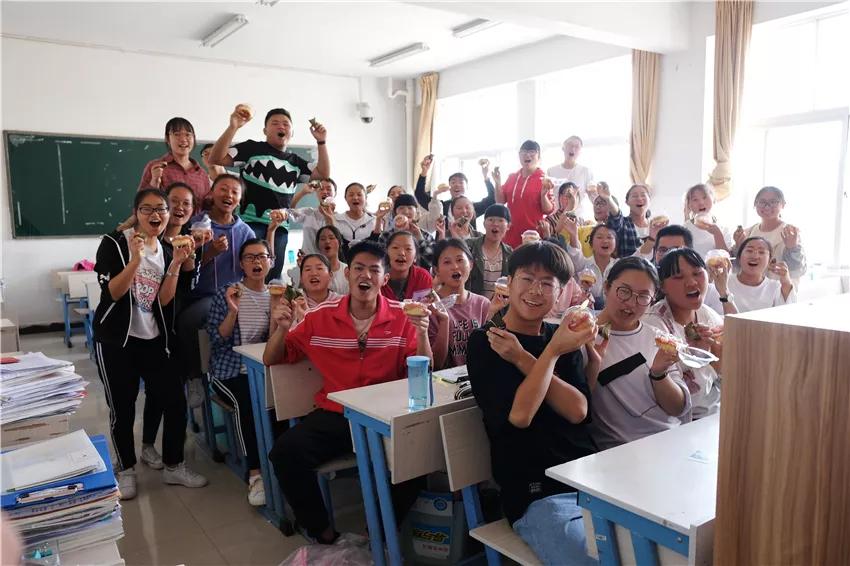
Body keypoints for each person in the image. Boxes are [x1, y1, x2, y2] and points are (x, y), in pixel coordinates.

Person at [262, 240, 432, 544]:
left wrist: (422, 333)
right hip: (338, 413)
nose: (364, 275)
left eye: (373, 270)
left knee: (419, 456)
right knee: (286, 453)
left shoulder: (404, 316)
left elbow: (422, 370)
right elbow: (272, 357)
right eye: (358, 268)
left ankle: (377, 531)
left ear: (384, 279)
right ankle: (322, 531)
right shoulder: (320, 316)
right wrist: (281, 329)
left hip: (386, 413)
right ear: (347, 274)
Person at [466, 241, 598, 565]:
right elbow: (520, 415)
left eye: (548, 283)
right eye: (527, 279)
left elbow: (578, 411)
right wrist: (552, 352)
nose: (536, 291)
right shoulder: (487, 342)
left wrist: (527, 357)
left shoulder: (562, 335)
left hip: (590, 479)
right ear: (509, 284)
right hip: (537, 493)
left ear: (561, 293)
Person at [93, 188, 207, 500]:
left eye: (161, 209)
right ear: (136, 213)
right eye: (147, 209)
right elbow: (113, 293)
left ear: (169, 215)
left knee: (175, 400)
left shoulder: (169, 248)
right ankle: (126, 468)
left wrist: (175, 265)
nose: (155, 215)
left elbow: (164, 299)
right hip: (116, 339)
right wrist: (135, 259)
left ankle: (173, 466)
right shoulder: (114, 243)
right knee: (123, 406)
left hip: (154, 339)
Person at [208, 105, 330, 280]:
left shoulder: (296, 162)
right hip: (250, 224)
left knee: (272, 276)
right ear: (265, 130)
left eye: (286, 124)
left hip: (280, 227)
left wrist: (321, 141)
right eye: (275, 123)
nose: (281, 126)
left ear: (292, 133)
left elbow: (323, 174)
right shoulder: (251, 149)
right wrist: (233, 126)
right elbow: (215, 158)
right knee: (244, 273)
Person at [588, 258, 691, 450]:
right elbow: (576, 409)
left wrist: (659, 374)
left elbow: (678, 409)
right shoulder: (582, 336)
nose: (631, 303)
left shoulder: (658, 339)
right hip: (619, 451)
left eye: (643, 296)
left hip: (671, 442)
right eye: (624, 291)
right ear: (607, 287)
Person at [206, 239, 274, 507]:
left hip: (265, 369)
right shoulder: (228, 293)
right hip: (230, 369)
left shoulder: (279, 293)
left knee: (282, 405)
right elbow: (217, 340)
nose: (257, 262)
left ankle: (277, 461)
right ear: (241, 263)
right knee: (247, 404)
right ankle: (255, 473)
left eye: (262, 256)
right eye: (249, 257)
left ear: (271, 260)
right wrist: (233, 311)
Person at [177, 174, 255, 407]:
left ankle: (249, 373)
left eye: (234, 192)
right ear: (211, 193)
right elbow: (186, 265)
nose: (228, 195)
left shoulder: (245, 231)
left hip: (237, 294)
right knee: (187, 323)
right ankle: (194, 378)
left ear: (240, 200)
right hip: (205, 295)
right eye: (223, 189)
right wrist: (210, 252)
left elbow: (253, 265)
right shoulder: (197, 225)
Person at [140, 182, 201, 469]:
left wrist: (190, 256)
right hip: (153, 327)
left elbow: (189, 286)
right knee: (158, 392)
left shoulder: (187, 242)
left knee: (168, 393)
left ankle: (165, 454)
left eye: (186, 204)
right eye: (174, 202)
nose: (180, 208)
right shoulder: (151, 240)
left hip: (176, 326)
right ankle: (149, 446)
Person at [645, 248, 724, 419]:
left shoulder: (708, 315)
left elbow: (729, 375)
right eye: (678, 277)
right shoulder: (655, 325)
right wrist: (703, 359)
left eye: (697, 273)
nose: (691, 283)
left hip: (716, 414)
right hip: (681, 424)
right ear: (662, 286)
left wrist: (717, 354)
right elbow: (683, 404)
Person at [428, 239, 493, 369]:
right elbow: (435, 364)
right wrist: (444, 321)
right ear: (436, 270)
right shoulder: (430, 307)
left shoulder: (483, 304)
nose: (455, 266)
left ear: (471, 264)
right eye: (447, 262)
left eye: (460, 260)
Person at [650, 225, 737, 317]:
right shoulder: (646, 286)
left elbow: (735, 326)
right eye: (662, 250)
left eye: (675, 250)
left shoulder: (707, 288)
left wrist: (724, 292)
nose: (668, 256)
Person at [138, 117, 211, 214]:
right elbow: (140, 204)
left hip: (194, 227)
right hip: (164, 227)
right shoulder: (155, 167)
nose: (183, 139)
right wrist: (154, 181)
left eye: (188, 135)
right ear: (168, 139)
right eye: (177, 134)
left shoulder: (202, 174)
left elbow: (206, 209)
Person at [733, 186, 806, 282]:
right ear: (755, 204)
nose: (767, 206)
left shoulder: (790, 233)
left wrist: (792, 248)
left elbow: (797, 271)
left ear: (783, 204)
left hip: (780, 292)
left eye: (773, 202)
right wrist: (738, 247)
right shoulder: (748, 233)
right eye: (762, 202)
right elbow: (736, 269)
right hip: (751, 291)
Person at [497, 140, 555, 248]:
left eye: (532, 152)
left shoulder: (544, 179)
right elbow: (500, 201)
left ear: (539, 157)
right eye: (523, 152)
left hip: (533, 235)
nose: (527, 155)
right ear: (519, 156)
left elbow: (548, 210)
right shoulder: (512, 177)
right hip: (510, 235)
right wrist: (497, 183)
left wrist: (543, 196)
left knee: (531, 264)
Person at [414, 155, 496, 229]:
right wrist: (424, 172)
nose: (457, 185)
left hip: (468, 244)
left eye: (461, 182)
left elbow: (493, 199)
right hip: (445, 243)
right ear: (449, 187)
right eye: (453, 182)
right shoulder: (441, 206)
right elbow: (419, 195)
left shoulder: (472, 207)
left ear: (467, 187)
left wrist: (486, 177)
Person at [727, 237, 796, 312]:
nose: (755, 256)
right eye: (749, 251)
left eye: (761, 252)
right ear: (739, 258)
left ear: (769, 261)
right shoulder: (724, 283)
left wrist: (786, 282)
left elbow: (788, 312)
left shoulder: (775, 287)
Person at [370, 194, 436, 271]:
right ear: (395, 212)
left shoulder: (426, 235)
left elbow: (432, 261)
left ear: (416, 211)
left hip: (421, 279)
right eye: (401, 208)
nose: (406, 211)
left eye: (410, 208)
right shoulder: (386, 235)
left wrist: (419, 238)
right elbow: (379, 260)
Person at [562, 222, 618, 308]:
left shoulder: (619, 266)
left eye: (609, 237)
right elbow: (575, 254)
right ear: (591, 243)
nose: (605, 241)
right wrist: (574, 235)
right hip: (585, 313)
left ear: (616, 244)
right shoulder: (583, 264)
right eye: (599, 237)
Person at [466, 204, 513, 299]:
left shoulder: (510, 254)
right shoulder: (469, 246)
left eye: (500, 220)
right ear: (484, 224)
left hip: (498, 310)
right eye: (491, 219)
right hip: (471, 305)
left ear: (508, 226)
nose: (495, 224)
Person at [288, 225, 349, 295]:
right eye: (323, 239)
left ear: (340, 242)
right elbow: (297, 296)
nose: (327, 241)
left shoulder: (347, 271)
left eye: (331, 238)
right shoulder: (310, 271)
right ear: (317, 245)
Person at [546, 136, 595, 219]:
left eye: (577, 146)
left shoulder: (586, 171)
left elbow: (593, 197)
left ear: (580, 151)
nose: (573, 148)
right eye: (570, 145)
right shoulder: (551, 171)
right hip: (557, 220)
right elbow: (548, 198)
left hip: (577, 219)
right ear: (563, 147)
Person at [287, 178, 337, 255]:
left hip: (327, 263)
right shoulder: (308, 212)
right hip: (307, 260)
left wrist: (329, 217)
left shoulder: (339, 218)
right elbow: (290, 210)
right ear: (316, 193)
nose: (325, 192)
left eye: (329, 189)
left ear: (335, 193)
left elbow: (336, 240)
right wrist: (302, 192)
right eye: (321, 189)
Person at [682, 183, 733, 258]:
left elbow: (726, 258)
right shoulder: (685, 228)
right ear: (689, 205)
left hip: (715, 268)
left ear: (713, 199)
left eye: (705, 197)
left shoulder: (723, 227)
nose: (701, 203)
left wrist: (717, 233)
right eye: (695, 200)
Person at [380, 231, 433, 301]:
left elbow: (425, 307)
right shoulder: (377, 276)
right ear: (386, 252)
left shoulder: (423, 277)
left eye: (408, 249)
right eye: (395, 247)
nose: (401, 253)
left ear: (415, 257)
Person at [605, 184, 653, 257]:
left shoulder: (655, 226)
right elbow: (616, 217)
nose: (639, 198)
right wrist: (608, 198)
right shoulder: (623, 224)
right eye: (634, 196)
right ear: (627, 202)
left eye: (643, 195)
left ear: (650, 200)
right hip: (627, 267)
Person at [291, 254, 341, 324]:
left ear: (330, 275)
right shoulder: (293, 304)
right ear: (301, 278)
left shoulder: (342, 303)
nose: (313, 273)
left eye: (319, 268)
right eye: (308, 269)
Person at [334, 182, 375, 252]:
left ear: (366, 198)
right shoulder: (336, 219)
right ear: (345, 198)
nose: (355, 198)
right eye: (351, 195)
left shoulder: (374, 220)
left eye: (359, 195)